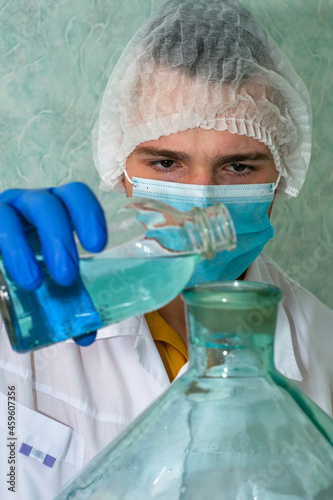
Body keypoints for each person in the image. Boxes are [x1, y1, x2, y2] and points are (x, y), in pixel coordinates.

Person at [0, 0, 332, 498]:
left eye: (239, 167)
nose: (201, 197)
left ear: (281, 175)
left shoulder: (325, 350)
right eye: (165, 163)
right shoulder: (29, 300)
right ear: (121, 168)